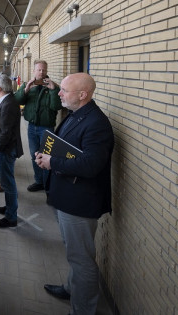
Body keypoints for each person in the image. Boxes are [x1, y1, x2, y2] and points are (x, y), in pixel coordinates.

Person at [34, 72, 114, 315]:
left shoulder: (97, 124)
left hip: (80, 201)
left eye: (64, 90)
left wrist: (52, 163)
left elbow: (91, 165)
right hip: (67, 196)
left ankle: (82, 310)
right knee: (74, 251)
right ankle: (71, 288)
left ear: (83, 94)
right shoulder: (76, 115)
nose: (59, 92)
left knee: (82, 260)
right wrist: (46, 156)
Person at [15, 60, 61, 192]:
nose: (42, 72)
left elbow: (56, 106)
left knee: (46, 156)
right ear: (34, 71)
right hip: (31, 127)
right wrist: (26, 89)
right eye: (39, 70)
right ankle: (39, 181)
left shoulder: (53, 87)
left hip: (47, 128)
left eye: (44, 70)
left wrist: (53, 91)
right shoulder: (27, 85)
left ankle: (47, 184)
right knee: (34, 156)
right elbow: (17, 101)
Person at [0, 73, 23, 228]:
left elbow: (6, 132)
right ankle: (9, 208)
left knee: (8, 184)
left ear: (0, 88)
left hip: (5, 150)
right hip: (5, 149)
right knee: (7, 181)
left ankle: (11, 217)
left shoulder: (8, 104)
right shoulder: (7, 100)